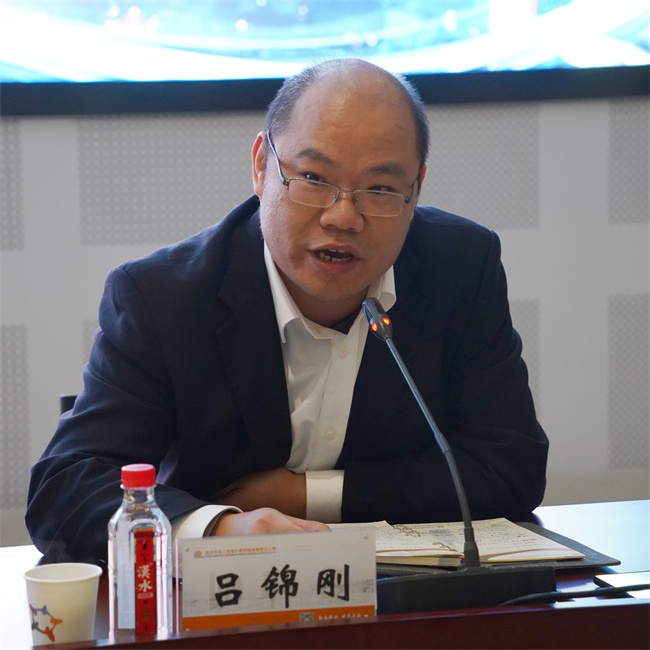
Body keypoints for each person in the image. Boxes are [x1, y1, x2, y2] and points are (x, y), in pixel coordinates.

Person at [26, 58, 548, 565]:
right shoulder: (164, 298)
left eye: (380, 189)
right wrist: (220, 530)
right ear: (261, 166)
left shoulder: (460, 267)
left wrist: (309, 495)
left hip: (399, 601)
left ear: (416, 188)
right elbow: (65, 488)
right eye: (314, 178)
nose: (343, 217)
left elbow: (510, 467)